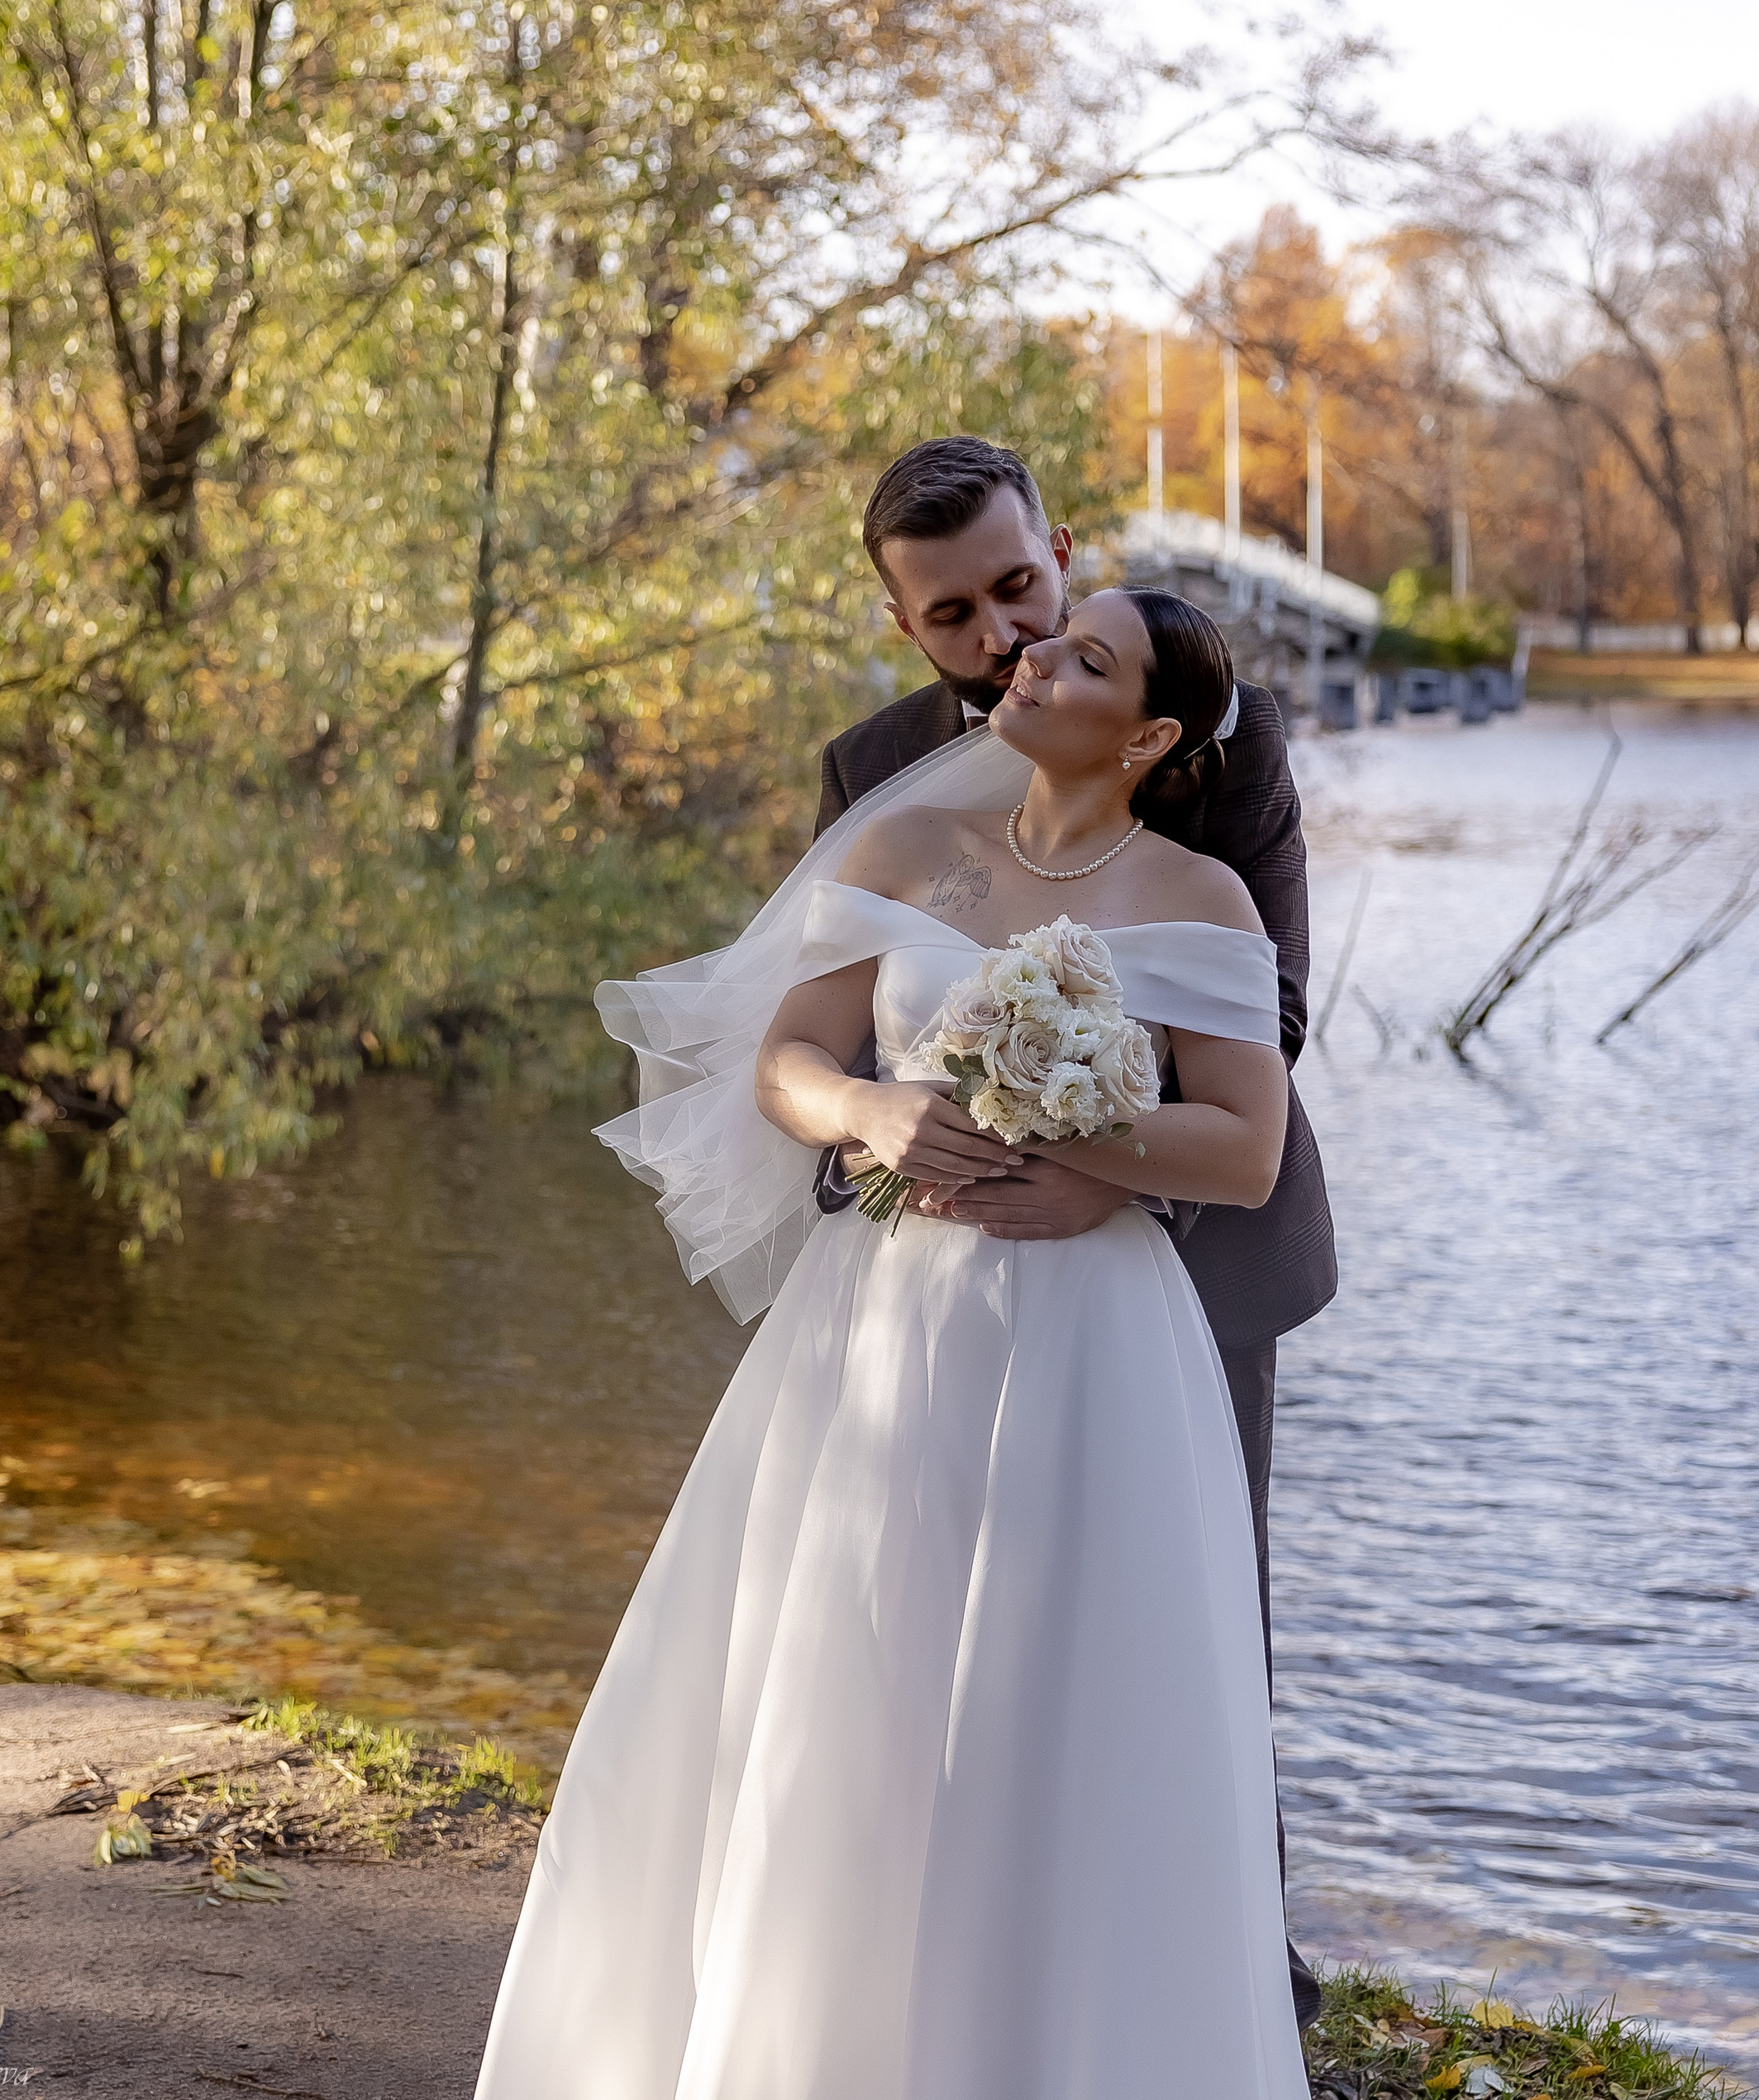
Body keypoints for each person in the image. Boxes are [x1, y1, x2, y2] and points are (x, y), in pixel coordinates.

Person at [473, 583, 1313, 2099]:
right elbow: (787, 1062)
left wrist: (1069, 1129)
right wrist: (870, 1107)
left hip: (1091, 1341)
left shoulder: (1202, 898)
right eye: (1048, 638)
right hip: (883, 1319)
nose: (1031, 656)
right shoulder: (906, 847)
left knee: (1058, 1692)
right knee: (856, 1672)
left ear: (1148, 738)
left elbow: (1246, 1150)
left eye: (1085, 658)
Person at [818, 434, 1337, 2026]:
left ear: (1061, 548)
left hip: (1190, 1246)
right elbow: (840, 1026)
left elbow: (1270, 1009)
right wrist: (905, 1146)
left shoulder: (1220, 731)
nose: (1001, 639)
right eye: (952, 616)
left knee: (1192, 1597)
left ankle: (1227, 1972)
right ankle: (943, 1958)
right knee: (919, 1604)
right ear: (906, 622)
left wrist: (1108, 1165)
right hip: (940, 1248)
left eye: (1017, 589)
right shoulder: (873, 773)